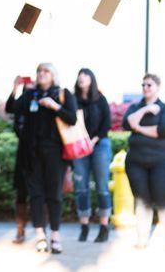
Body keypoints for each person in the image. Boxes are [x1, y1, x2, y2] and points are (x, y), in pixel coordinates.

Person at [9, 63, 77, 254]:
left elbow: (72, 119)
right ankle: (40, 235)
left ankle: (55, 235)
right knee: (36, 195)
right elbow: (11, 108)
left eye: (46, 71)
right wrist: (16, 88)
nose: (41, 74)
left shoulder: (63, 94)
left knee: (54, 195)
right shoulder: (31, 94)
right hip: (32, 154)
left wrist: (54, 106)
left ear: (53, 75)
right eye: (39, 71)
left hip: (56, 154)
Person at [122, 74, 165, 249]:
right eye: (143, 85)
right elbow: (127, 123)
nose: (146, 88)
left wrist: (138, 128)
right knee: (141, 200)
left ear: (157, 87)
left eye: (150, 85)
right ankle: (141, 240)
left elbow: (163, 131)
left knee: (164, 199)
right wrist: (146, 110)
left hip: (164, 162)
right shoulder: (135, 107)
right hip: (137, 162)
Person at [71, 68, 112, 243]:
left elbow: (107, 123)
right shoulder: (73, 100)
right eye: (80, 76)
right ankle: (84, 226)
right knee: (81, 187)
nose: (82, 78)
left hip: (99, 144)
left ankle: (104, 226)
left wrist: (93, 140)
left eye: (86, 75)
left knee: (102, 186)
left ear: (91, 79)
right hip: (79, 147)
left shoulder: (100, 99)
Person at [5, 75, 30, 244]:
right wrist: (15, 87)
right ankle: (20, 230)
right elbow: (9, 107)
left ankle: (42, 231)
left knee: (40, 194)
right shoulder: (21, 104)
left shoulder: (44, 101)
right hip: (23, 154)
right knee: (21, 194)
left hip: (40, 154)